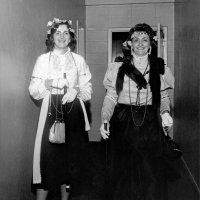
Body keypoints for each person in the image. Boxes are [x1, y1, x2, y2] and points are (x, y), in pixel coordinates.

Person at [100, 23, 175, 200]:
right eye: (136, 40)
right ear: (129, 44)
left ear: (151, 44)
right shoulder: (116, 67)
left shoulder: (160, 68)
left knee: (151, 170)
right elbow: (111, 97)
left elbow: (163, 96)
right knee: (123, 170)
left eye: (145, 39)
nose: (140, 43)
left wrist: (165, 113)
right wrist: (105, 119)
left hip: (150, 121)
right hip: (123, 120)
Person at [29, 18, 92, 200]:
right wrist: (49, 83)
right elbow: (33, 89)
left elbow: (88, 88)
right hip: (50, 113)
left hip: (73, 114)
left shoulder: (79, 60)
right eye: (58, 33)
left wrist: (77, 90)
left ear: (71, 36)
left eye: (66, 33)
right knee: (47, 162)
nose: (62, 37)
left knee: (70, 162)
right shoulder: (42, 60)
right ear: (51, 36)